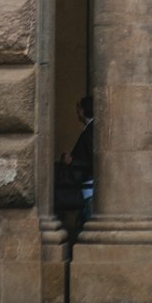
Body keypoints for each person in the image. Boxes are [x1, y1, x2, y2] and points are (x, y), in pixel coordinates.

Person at [57, 96, 94, 225]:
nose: (77, 113)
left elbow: (93, 161)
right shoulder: (92, 129)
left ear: (83, 111)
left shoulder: (90, 132)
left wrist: (71, 161)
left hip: (89, 187)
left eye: (78, 110)